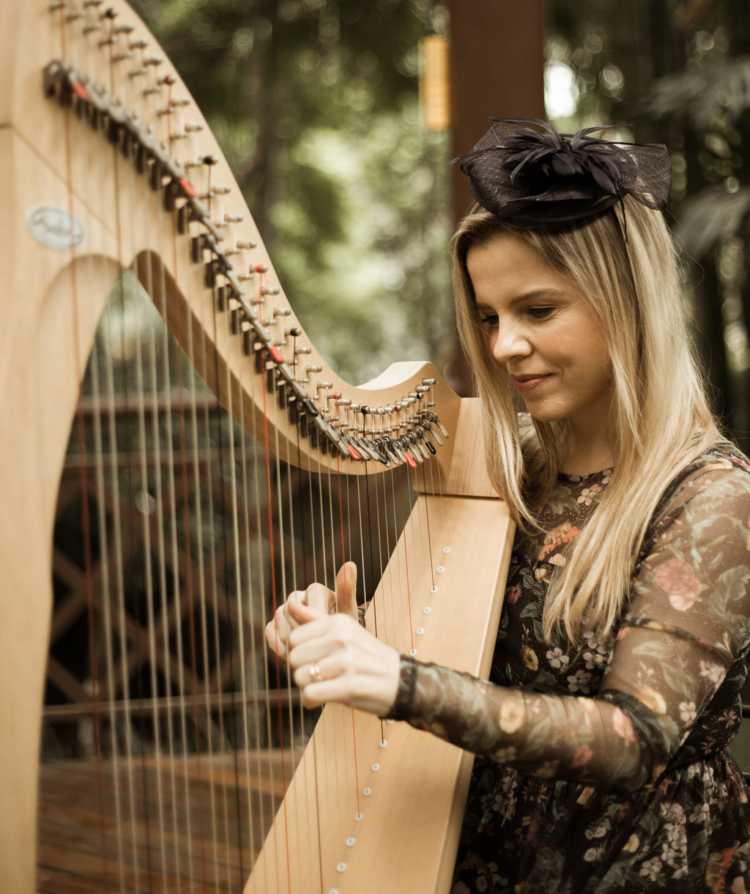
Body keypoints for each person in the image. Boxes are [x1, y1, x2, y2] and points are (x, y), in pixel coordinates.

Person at [266, 118, 750, 892]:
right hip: (485, 851)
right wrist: (344, 641)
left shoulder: (713, 495)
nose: (502, 347)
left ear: (626, 301)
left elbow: (635, 737)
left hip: (631, 866)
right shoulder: (508, 467)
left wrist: (399, 680)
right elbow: (475, 665)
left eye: (537, 310)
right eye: (489, 317)